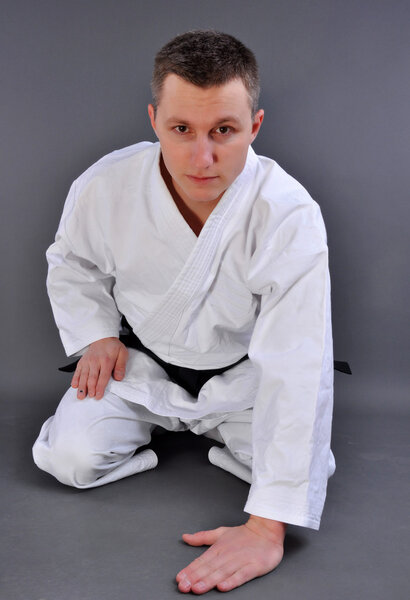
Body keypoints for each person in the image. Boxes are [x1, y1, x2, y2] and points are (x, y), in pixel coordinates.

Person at [33, 30, 335, 594]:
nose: (202, 158)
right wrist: (96, 335)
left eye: (225, 130)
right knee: (70, 460)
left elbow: (298, 360)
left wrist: (267, 529)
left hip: (243, 378)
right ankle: (162, 436)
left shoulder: (288, 214)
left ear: (256, 126)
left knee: (310, 471)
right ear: (154, 120)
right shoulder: (106, 185)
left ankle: (220, 439)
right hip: (139, 365)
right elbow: (71, 262)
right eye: (181, 130)